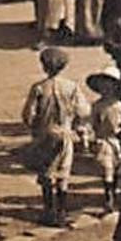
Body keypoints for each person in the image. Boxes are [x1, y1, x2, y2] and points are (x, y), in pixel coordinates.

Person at [20, 46, 89, 226]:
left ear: (44, 66)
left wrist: (33, 127)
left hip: (44, 134)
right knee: (63, 172)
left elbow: (28, 114)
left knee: (46, 172)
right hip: (65, 134)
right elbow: (84, 110)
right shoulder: (71, 87)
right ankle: (61, 211)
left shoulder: (39, 88)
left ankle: (48, 210)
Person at [84, 64, 121, 214]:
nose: (106, 88)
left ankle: (115, 192)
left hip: (118, 141)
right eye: (103, 85)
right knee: (107, 169)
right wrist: (88, 138)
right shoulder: (97, 106)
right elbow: (91, 123)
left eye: (110, 84)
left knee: (118, 169)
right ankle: (109, 198)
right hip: (104, 141)